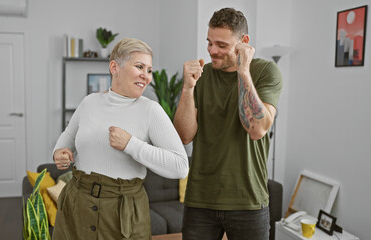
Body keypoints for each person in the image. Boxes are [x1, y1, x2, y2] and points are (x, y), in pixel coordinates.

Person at [52, 38, 189, 240]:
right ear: (115, 67)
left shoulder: (151, 111)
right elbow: (68, 136)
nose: (147, 76)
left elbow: (180, 166)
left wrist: (131, 145)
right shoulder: (89, 102)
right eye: (139, 66)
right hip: (75, 202)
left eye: (149, 70)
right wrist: (59, 151)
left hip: (122, 211)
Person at [174, 8, 283, 240]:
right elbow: (184, 136)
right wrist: (187, 88)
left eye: (221, 45)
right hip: (200, 200)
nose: (212, 50)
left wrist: (243, 72)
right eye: (209, 43)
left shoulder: (265, 72)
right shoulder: (201, 77)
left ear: (243, 42)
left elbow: (256, 129)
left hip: (249, 201)